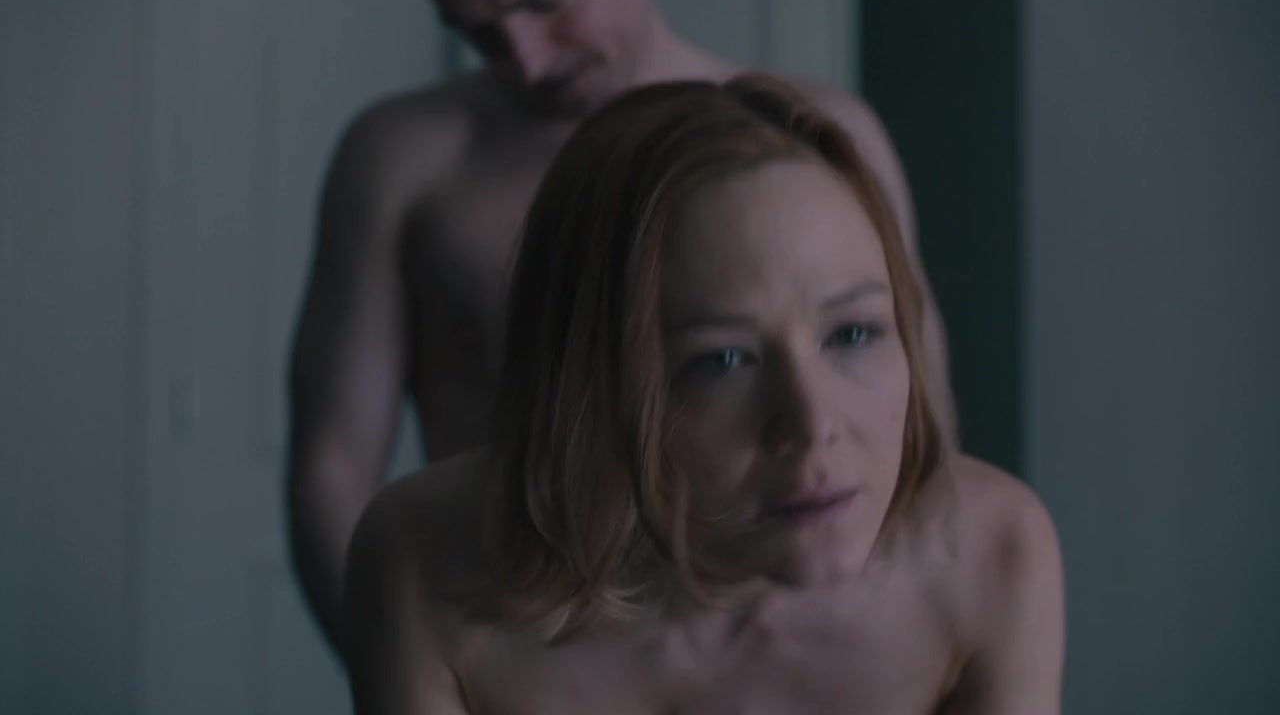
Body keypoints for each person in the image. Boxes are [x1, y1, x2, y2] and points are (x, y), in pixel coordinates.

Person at [343, 75, 1063, 714]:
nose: (813, 425)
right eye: (723, 361)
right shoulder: (425, 568)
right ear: (595, 386)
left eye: (852, 333)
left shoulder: (992, 557)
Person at [287, 0, 957, 652]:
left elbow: (925, 424)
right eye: (482, 34)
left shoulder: (816, 139)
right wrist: (408, 665)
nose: (526, 59)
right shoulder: (404, 163)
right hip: (524, 642)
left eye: (543, 6)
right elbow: (333, 469)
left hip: (798, 643)